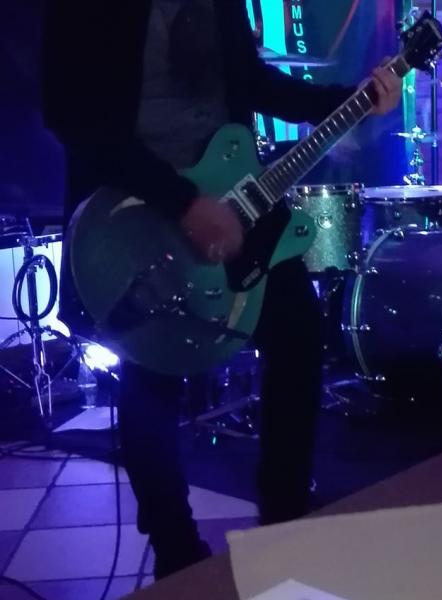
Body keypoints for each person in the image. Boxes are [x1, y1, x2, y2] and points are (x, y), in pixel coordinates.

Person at [41, 1, 401, 578]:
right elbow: (67, 112)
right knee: (152, 372)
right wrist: (183, 202)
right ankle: (176, 552)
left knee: (298, 332)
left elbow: (248, 80)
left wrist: (345, 99)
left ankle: (284, 523)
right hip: (134, 212)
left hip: (230, 194)